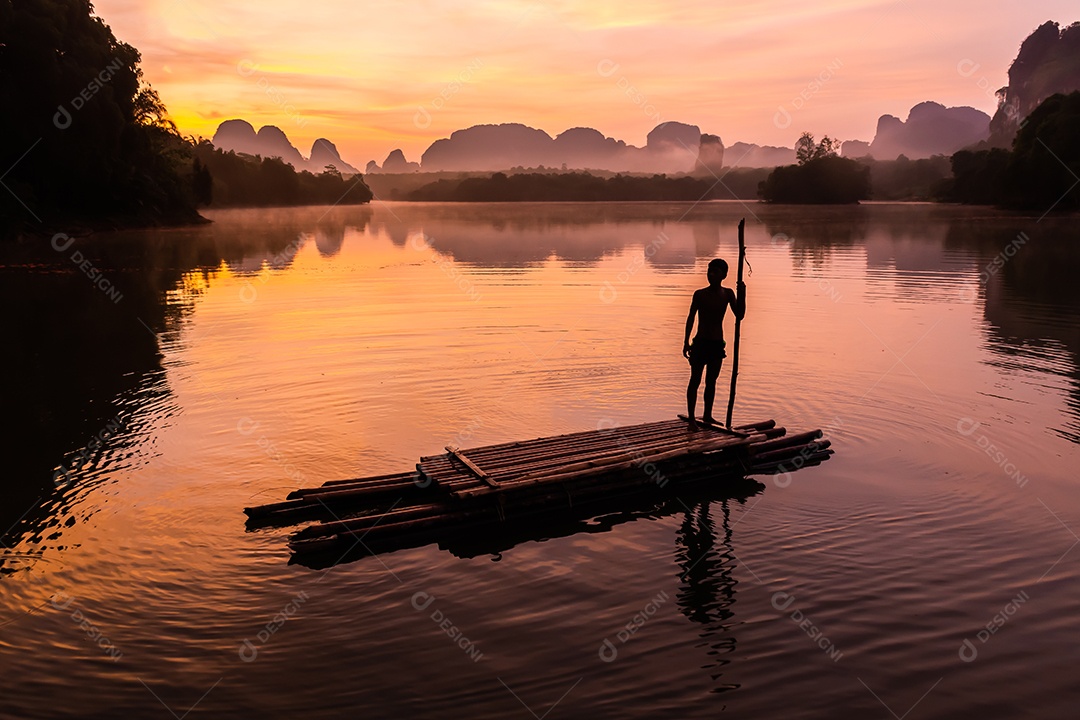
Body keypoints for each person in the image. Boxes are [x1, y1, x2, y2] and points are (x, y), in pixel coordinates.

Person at [683, 258, 745, 426]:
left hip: (717, 345)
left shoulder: (728, 294)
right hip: (700, 343)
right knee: (695, 380)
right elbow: (691, 318)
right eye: (709, 271)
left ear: (724, 275)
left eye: (715, 272)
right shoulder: (700, 294)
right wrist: (686, 342)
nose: (710, 275)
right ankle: (691, 418)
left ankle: (707, 415)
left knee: (711, 381)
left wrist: (743, 293)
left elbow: (739, 315)